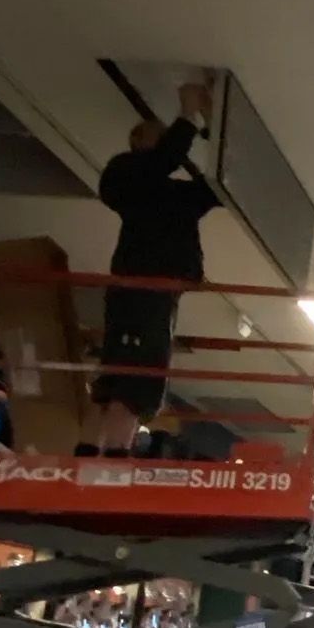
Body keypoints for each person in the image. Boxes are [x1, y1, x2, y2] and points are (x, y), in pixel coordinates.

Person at [79, 80, 219, 455]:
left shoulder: (163, 193)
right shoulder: (125, 176)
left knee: (125, 378)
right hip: (142, 289)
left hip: (152, 293)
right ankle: (108, 459)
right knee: (131, 380)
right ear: (140, 144)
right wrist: (189, 115)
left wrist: (210, 126)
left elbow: (211, 190)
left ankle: (95, 455)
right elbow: (165, 160)